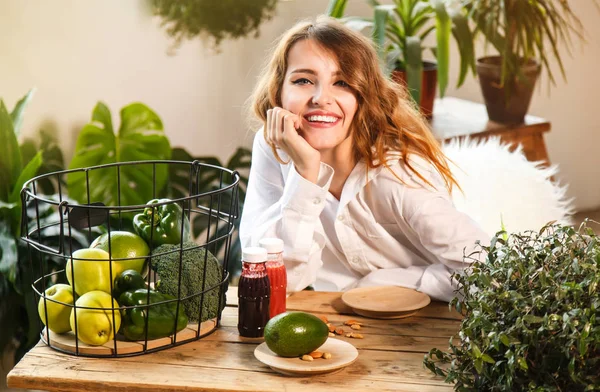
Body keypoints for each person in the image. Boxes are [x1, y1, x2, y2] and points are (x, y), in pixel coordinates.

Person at [239, 16, 489, 302]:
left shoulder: (395, 175)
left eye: (342, 82)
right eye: (303, 80)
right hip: (342, 322)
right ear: (279, 92)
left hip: (430, 322)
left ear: (364, 97)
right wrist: (306, 174)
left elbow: (490, 274)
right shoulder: (275, 147)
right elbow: (277, 280)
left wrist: (388, 282)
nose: (321, 97)